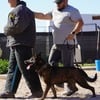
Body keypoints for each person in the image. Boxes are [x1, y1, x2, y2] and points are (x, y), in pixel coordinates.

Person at [34, 0, 84, 96]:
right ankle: (58, 82)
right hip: (56, 44)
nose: (57, 4)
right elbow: (43, 15)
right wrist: (29, 13)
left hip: (67, 44)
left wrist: (73, 33)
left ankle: (71, 88)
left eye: (59, 2)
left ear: (65, 1)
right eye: (56, 3)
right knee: (51, 62)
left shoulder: (72, 10)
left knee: (68, 66)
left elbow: (80, 22)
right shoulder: (54, 11)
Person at [0, 0, 43, 98]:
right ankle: (9, 91)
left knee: (27, 68)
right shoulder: (20, 9)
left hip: (22, 44)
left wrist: (6, 29)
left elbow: (19, 27)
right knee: (13, 68)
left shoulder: (20, 10)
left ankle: (37, 91)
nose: (7, 1)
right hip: (17, 43)